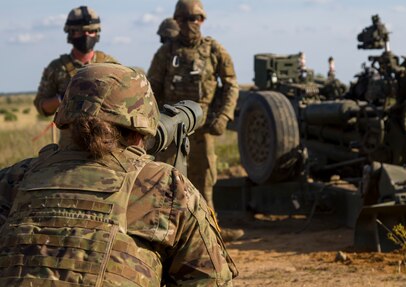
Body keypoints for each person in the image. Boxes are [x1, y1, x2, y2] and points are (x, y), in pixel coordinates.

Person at [0, 63, 237, 286]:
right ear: (139, 132)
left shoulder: (13, 179)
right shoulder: (165, 186)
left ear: (66, 121)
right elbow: (211, 279)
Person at [147, 0, 243, 242]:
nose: (192, 24)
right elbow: (151, 90)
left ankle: (211, 233)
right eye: (186, 19)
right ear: (177, 21)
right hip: (171, 130)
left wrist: (223, 116)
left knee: (205, 184)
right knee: (167, 183)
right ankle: (166, 237)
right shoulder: (166, 53)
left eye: (196, 19)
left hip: (203, 129)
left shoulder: (213, 50)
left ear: (202, 20)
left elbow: (231, 84)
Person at [33, 6, 119, 116]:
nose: (86, 35)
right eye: (80, 31)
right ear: (70, 34)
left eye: (90, 31)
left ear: (97, 33)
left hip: (103, 131)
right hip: (71, 132)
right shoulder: (57, 67)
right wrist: (62, 98)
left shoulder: (110, 64)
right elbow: (42, 107)